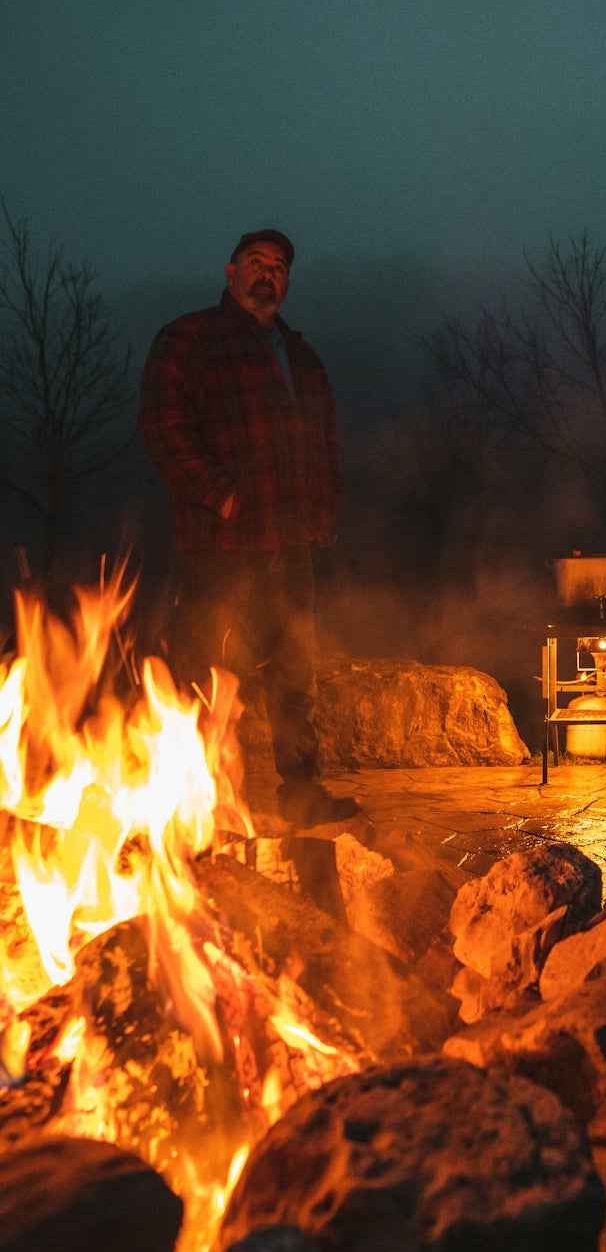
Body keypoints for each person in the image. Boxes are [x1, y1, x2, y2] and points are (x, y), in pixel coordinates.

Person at [139, 228, 360, 826]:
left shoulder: (301, 355)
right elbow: (163, 427)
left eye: (280, 267)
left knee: (295, 670)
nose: (269, 275)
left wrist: (324, 506)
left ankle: (301, 793)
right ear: (230, 271)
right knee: (215, 670)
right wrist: (222, 495)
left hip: (290, 540)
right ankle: (202, 798)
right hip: (223, 542)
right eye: (257, 263)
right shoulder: (189, 338)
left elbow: (326, 440)